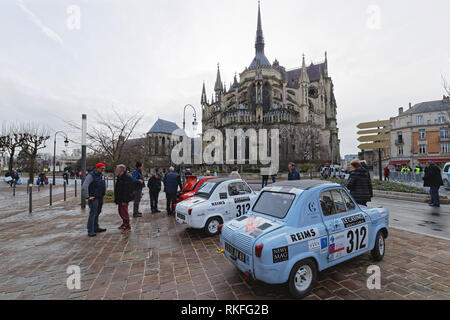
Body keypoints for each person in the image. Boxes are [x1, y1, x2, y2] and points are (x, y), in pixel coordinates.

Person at [82, 163, 107, 237]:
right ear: (97, 168)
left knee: (98, 212)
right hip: (94, 198)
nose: (103, 170)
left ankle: (96, 227)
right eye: (101, 168)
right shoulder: (91, 176)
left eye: (103, 168)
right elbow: (84, 186)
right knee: (93, 214)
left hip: (100, 197)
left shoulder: (101, 175)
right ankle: (90, 230)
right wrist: (87, 196)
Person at [114, 164, 134, 233]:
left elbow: (127, 190)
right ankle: (124, 223)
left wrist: (125, 200)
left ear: (121, 170)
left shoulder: (127, 177)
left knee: (124, 212)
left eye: (117, 169)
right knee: (120, 211)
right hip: (120, 198)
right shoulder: (120, 176)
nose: (116, 170)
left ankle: (127, 226)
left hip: (124, 198)